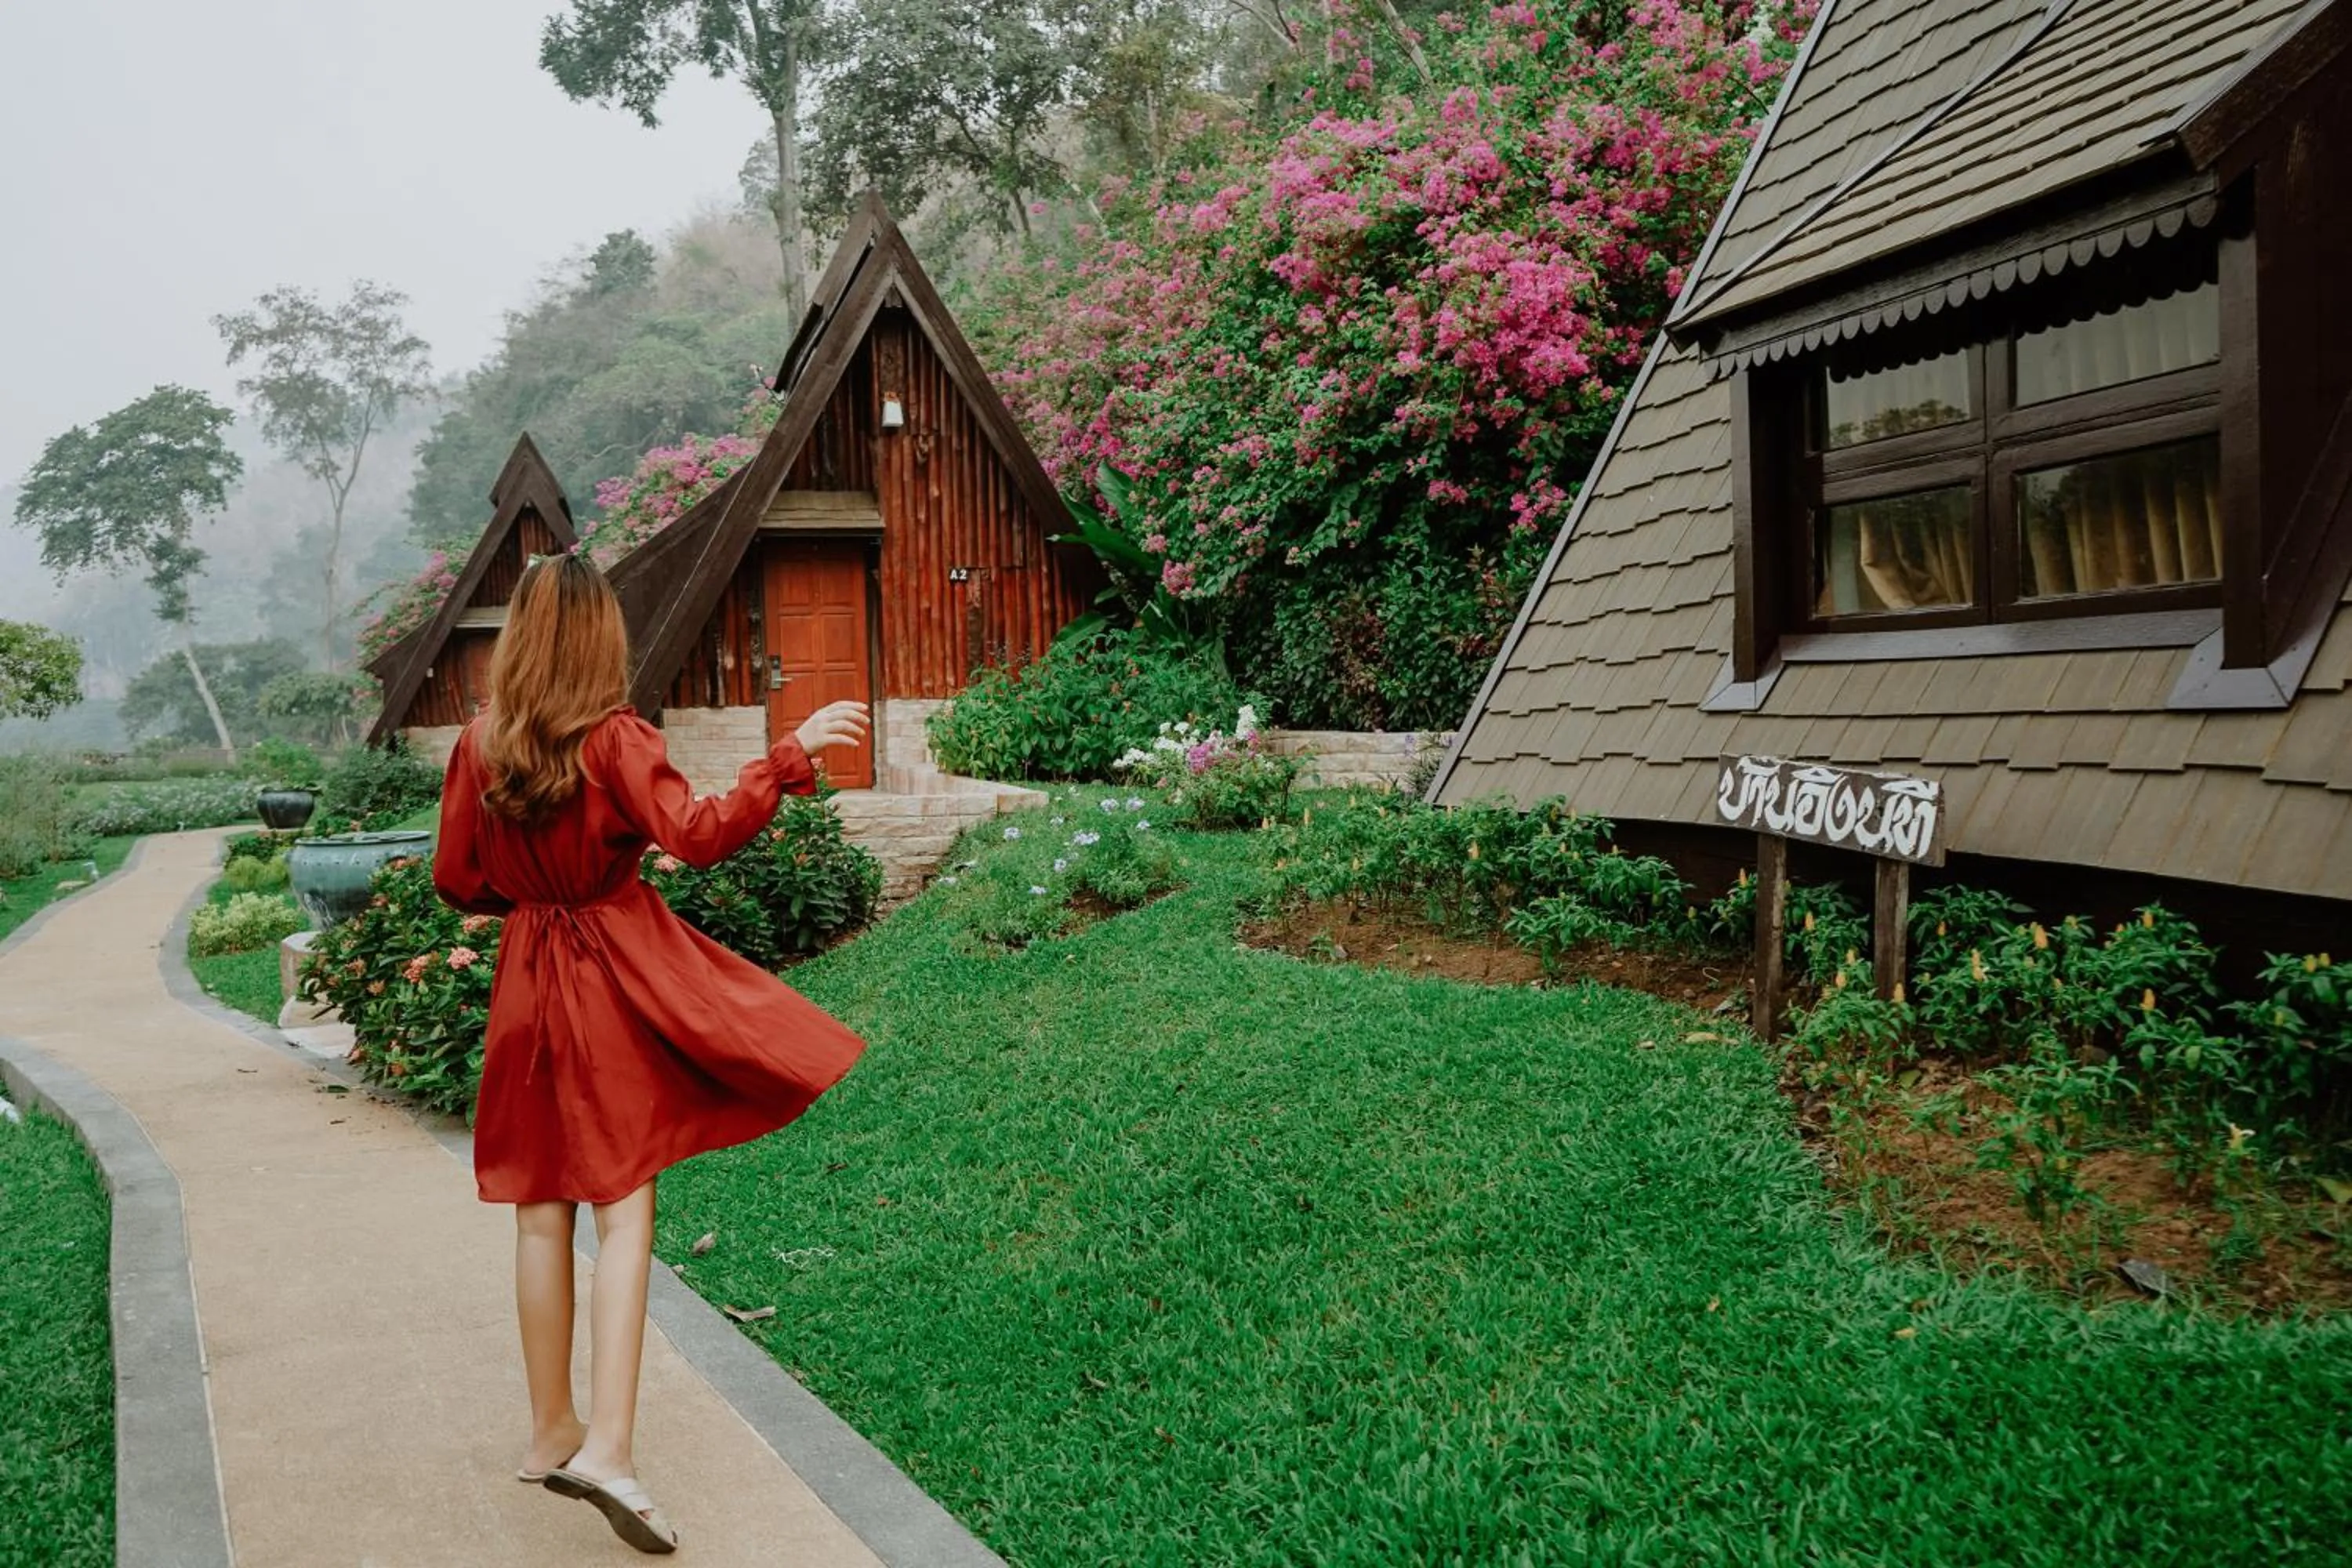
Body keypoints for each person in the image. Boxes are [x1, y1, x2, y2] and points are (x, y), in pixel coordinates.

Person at [432, 552, 869, 1555]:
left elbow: (458, 877)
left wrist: (535, 904)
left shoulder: (478, 744)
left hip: (527, 979)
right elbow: (698, 833)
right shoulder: (616, 740)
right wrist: (786, 755)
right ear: (601, 639)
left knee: (542, 1211)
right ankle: (610, 1450)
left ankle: (551, 1432)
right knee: (622, 1211)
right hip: (607, 978)